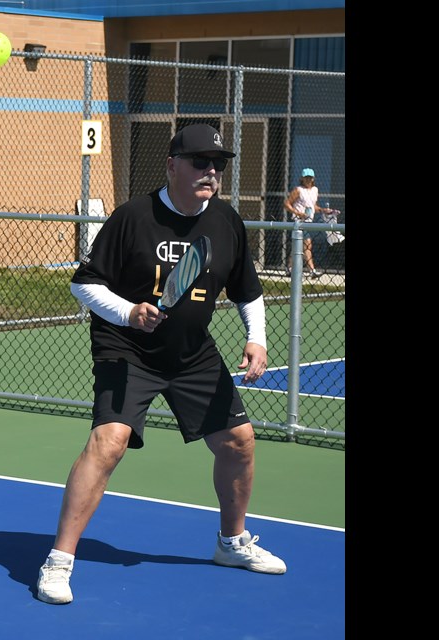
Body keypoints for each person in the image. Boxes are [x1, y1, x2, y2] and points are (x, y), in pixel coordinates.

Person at [35, 123, 286, 606]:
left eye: (218, 164)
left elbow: (247, 288)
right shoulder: (133, 217)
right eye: (199, 162)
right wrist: (129, 313)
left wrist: (257, 339)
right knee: (110, 442)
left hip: (192, 352)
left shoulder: (226, 221)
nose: (210, 171)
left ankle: (231, 544)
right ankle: (59, 561)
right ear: (172, 165)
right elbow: (83, 284)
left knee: (239, 442)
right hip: (127, 349)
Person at [284, 168, 337, 278]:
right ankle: (312, 270)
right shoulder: (298, 190)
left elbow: (313, 206)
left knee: (296, 247)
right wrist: (298, 213)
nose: (308, 180)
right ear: (302, 178)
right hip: (298, 222)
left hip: (308, 221)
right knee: (307, 245)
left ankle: (289, 269)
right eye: (306, 177)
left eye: (310, 178)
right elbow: (287, 204)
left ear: (313, 179)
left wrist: (323, 210)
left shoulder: (314, 190)